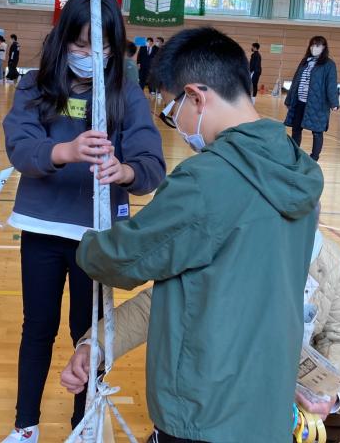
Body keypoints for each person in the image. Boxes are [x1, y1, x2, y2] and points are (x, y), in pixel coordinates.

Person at [75, 26, 323, 443]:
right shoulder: (298, 169)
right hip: (269, 399)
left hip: (205, 405)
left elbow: (124, 259)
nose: (177, 125)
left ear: (195, 96)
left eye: (171, 112)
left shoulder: (206, 180)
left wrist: (84, 246)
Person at [0, 0, 166, 443]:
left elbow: (151, 164)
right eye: (80, 45)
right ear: (63, 39)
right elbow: (20, 146)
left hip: (97, 236)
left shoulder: (125, 93)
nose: (91, 56)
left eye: (103, 48)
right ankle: (25, 426)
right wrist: (65, 151)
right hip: (42, 227)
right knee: (38, 327)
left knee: (90, 334)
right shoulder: (35, 84)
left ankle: (85, 424)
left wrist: (125, 171)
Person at [63, 229, 340, 443]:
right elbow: (153, 307)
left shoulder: (334, 262)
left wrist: (330, 394)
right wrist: (96, 346)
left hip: (292, 382)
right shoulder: (231, 249)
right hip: (227, 376)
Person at [285, 36, 340, 162]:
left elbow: (331, 84)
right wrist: (289, 99)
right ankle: (294, 154)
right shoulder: (304, 61)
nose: (314, 48)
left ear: (324, 47)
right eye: (312, 45)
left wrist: (334, 102)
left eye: (318, 45)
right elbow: (295, 81)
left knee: (317, 131)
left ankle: (314, 158)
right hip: (300, 101)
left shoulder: (329, 64)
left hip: (318, 104)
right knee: (296, 129)